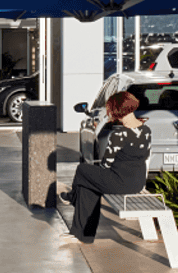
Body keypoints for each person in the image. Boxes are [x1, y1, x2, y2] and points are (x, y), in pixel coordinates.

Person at [63, 91, 152, 242]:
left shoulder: (120, 135)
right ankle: (83, 235)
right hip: (137, 183)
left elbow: (106, 165)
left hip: (120, 184)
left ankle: (73, 197)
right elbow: (144, 156)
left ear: (117, 110)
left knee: (82, 169)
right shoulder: (146, 130)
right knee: (88, 185)